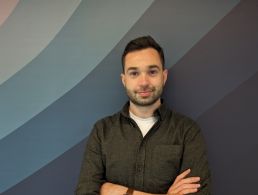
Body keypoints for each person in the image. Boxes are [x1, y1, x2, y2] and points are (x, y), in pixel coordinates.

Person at [75, 36, 211, 195]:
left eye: (152, 72)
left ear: (164, 76)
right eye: (134, 73)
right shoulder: (102, 131)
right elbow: (84, 192)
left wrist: (114, 191)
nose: (144, 82)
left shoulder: (187, 131)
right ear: (124, 80)